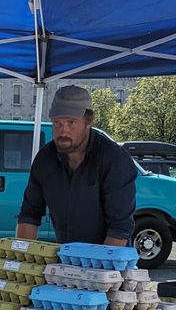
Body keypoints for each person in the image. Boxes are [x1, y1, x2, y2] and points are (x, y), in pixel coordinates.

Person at [16, 85, 136, 246]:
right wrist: (21, 259)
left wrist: (94, 268)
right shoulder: (45, 159)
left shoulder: (114, 159)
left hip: (110, 262)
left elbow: (119, 229)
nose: (63, 132)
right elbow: (29, 215)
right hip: (67, 258)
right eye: (57, 123)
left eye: (71, 123)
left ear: (88, 122)